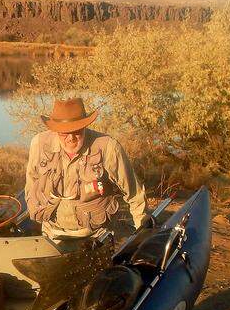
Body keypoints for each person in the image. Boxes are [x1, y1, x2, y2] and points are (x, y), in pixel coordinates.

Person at [24, 96, 150, 238]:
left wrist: (141, 233)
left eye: (77, 131)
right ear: (55, 130)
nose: (71, 138)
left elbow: (134, 193)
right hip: (51, 232)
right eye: (64, 132)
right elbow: (31, 183)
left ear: (85, 126)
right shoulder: (39, 144)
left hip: (96, 235)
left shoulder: (108, 147)